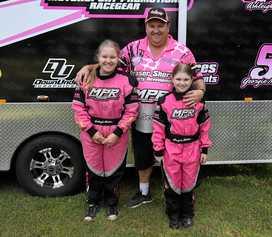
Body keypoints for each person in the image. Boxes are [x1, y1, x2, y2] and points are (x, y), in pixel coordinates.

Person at [76, 7, 205, 208]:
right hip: (140, 116)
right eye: (152, 26)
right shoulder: (132, 49)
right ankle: (144, 193)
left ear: (168, 26)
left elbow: (198, 79)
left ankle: (177, 193)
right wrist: (89, 67)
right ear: (146, 27)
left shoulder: (182, 52)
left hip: (171, 118)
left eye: (160, 26)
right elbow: (109, 65)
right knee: (143, 156)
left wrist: (200, 92)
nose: (156, 30)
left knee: (170, 157)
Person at [72, 39, 139, 221]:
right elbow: (78, 109)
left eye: (112, 57)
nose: (108, 60)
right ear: (98, 57)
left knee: (113, 170)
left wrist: (117, 133)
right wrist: (92, 132)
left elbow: (132, 111)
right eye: (104, 56)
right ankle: (93, 203)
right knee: (93, 169)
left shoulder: (126, 81)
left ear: (118, 59)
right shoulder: (86, 78)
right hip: (91, 131)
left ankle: (111, 204)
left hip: (117, 132)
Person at [152, 63, 212, 229]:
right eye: (178, 79)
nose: (182, 82)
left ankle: (187, 214)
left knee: (188, 184)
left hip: (192, 148)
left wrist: (204, 149)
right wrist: (158, 148)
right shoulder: (164, 101)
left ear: (192, 80)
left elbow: (204, 126)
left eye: (186, 79)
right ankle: (173, 214)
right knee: (172, 184)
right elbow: (158, 127)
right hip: (171, 149)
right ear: (172, 79)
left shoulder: (198, 101)